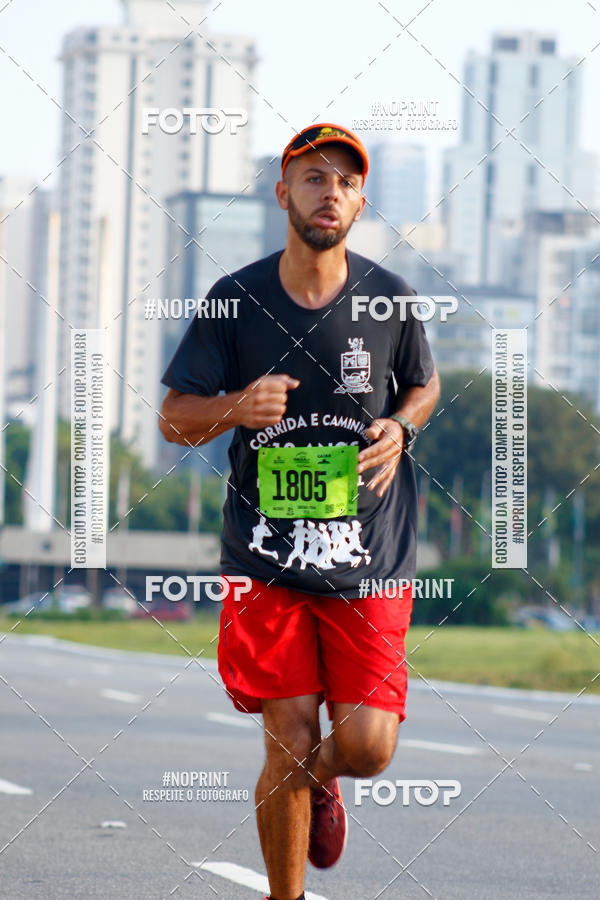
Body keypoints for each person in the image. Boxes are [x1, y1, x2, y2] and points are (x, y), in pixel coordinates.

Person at [159, 122, 441, 900]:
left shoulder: (391, 298)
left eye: (347, 182)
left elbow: (425, 384)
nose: (332, 193)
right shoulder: (234, 301)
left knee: (370, 746)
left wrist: (404, 423)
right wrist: (237, 405)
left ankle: (320, 780)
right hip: (265, 558)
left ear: (361, 201)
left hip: (370, 558)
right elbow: (174, 417)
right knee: (284, 738)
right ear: (283, 193)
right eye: (315, 178)